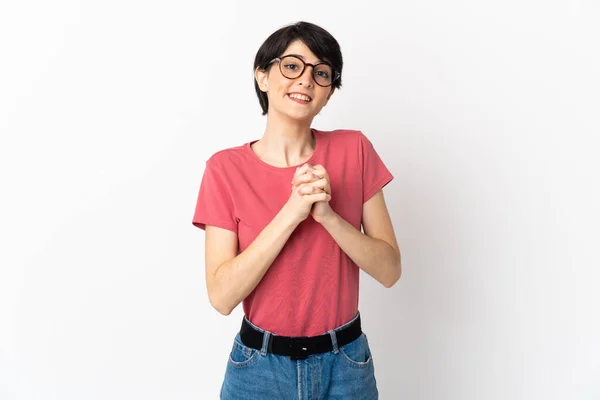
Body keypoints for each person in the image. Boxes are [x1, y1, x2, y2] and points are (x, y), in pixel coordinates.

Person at [192, 21, 401, 399]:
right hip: (258, 370)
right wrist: (292, 212)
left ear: (328, 94)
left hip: (346, 366)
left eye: (321, 73)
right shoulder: (224, 169)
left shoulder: (354, 150)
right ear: (262, 77)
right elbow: (222, 297)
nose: (306, 80)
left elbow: (389, 270)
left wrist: (328, 216)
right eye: (292, 66)